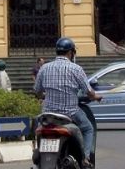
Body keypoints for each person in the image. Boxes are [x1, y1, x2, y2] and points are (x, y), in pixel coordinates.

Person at [33, 37, 102, 169]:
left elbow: (37, 91)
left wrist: (43, 95)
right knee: (88, 129)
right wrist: (96, 97)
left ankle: (38, 154)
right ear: (71, 52)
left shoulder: (44, 68)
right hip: (70, 113)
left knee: (36, 126)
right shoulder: (76, 69)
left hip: (47, 115)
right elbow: (89, 92)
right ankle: (86, 159)